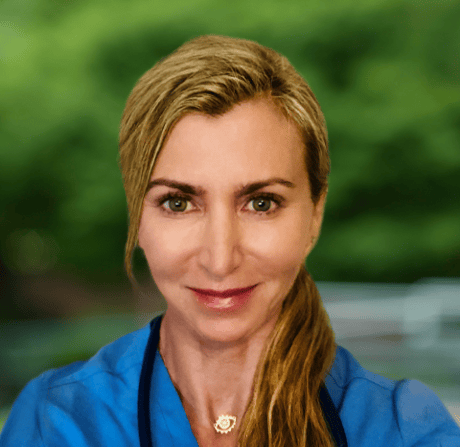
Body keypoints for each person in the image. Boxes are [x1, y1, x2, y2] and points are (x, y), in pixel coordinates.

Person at [1, 35, 459, 447]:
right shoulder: (54, 423)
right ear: (137, 217)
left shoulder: (405, 430)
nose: (220, 259)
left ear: (315, 215)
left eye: (261, 203)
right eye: (179, 203)